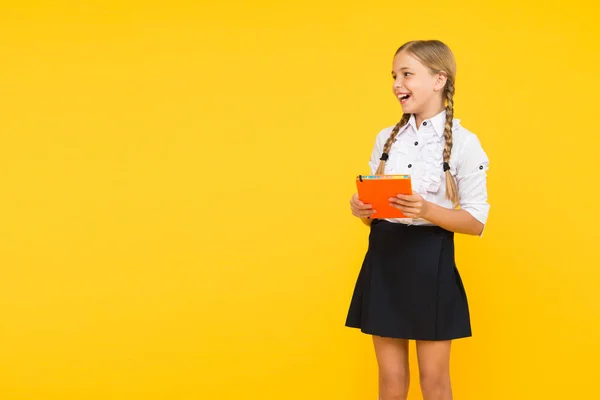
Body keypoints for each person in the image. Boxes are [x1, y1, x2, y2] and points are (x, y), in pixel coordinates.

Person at [345, 40, 490, 400]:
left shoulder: (465, 143)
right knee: (390, 381)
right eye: (394, 75)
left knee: (434, 381)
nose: (397, 83)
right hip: (385, 258)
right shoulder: (386, 138)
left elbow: (475, 221)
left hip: (430, 264)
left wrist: (426, 210)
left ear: (439, 79)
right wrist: (364, 210)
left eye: (407, 74)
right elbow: (381, 210)